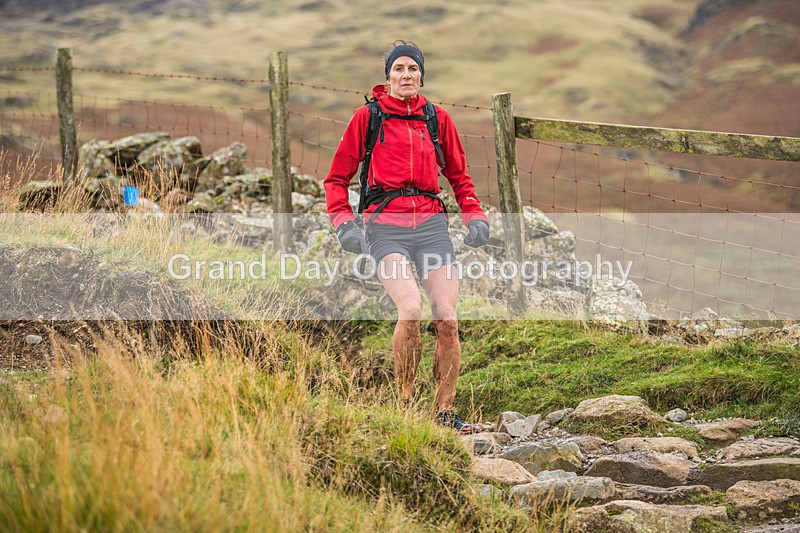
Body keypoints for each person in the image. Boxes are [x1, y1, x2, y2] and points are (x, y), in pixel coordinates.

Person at [323, 41, 490, 434]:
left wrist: (475, 217)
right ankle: (404, 405)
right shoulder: (368, 117)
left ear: (421, 76)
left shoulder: (437, 119)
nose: (406, 75)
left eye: (413, 69)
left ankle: (444, 412)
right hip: (386, 228)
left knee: (447, 320)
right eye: (398, 69)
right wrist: (344, 223)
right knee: (411, 310)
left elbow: (460, 177)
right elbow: (335, 179)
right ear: (387, 76)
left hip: (432, 228)